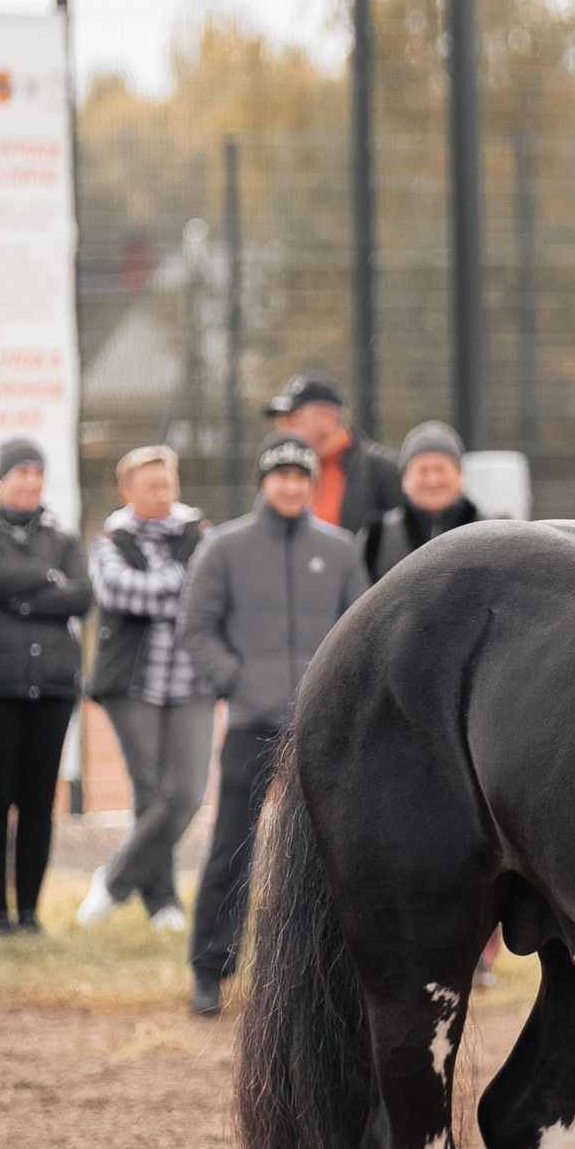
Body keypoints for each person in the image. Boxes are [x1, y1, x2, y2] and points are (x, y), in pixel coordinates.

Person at [178, 430, 370, 1017]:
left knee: (326, 852)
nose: (290, 485)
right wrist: (238, 680)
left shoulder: (340, 551)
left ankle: (318, 974)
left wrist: (334, 697)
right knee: (232, 847)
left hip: (321, 731)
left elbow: (362, 627)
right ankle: (211, 970)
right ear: (264, 481)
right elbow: (197, 628)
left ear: (312, 484)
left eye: (300, 476)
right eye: (280, 475)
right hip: (251, 723)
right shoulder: (224, 547)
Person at [0, 438, 94, 936]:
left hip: (52, 688)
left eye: (38, 472)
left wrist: (19, 599)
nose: (30, 482)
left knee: (37, 803)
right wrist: (43, 577)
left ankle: (29, 913)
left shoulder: (63, 534)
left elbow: (81, 596)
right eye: (20, 472)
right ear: (2, 478)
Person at [79, 445, 212, 932]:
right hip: (131, 684)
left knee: (188, 793)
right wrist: (179, 582)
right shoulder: (109, 539)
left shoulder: (202, 534)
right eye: (151, 487)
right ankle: (164, 903)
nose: (162, 494)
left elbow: (210, 589)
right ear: (126, 492)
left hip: (192, 681)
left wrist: (160, 585)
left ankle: (113, 880)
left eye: (168, 485)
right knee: (152, 792)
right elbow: (118, 593)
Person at [266, 370, 405, 536]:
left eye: (293, 417)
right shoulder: (277, 472)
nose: (283, 428)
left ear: (328, 416)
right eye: (280, 419)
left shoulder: (384, 470)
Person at [359, 422, 483, 582]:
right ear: (405, 480)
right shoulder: (375, 539)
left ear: (461, 476)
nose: (432, 480)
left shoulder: (495, 532)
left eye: (440, 469)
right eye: (422, 470)